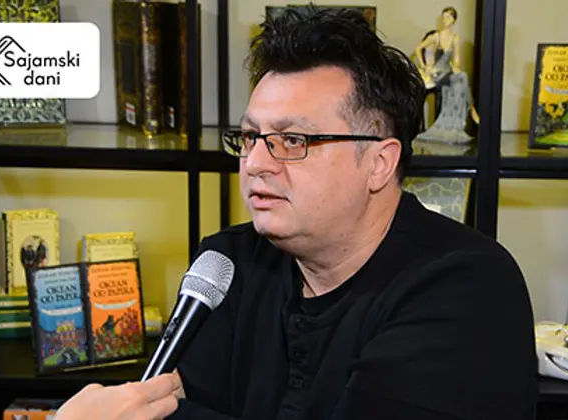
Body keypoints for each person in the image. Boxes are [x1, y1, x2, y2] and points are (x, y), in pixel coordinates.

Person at [55, 6, 537, 420]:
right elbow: (165, 402)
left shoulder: (467, 286)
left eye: (293, 140)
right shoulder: (229, 263)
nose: (255, 163)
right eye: (251, 137)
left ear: (379, 163)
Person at [413, 7, 480, 144]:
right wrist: (425, 66)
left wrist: (456, 67)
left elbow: (456, 60)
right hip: (436, 74)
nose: (445, 20)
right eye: (444, 17)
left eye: (448, 17)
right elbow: (418, 49)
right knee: (463, 78)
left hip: (447, 72)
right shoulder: (436, 36)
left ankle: (466, 114)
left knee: (462, 77)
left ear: (454, 20)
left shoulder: (455, 38)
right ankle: (472, 110)